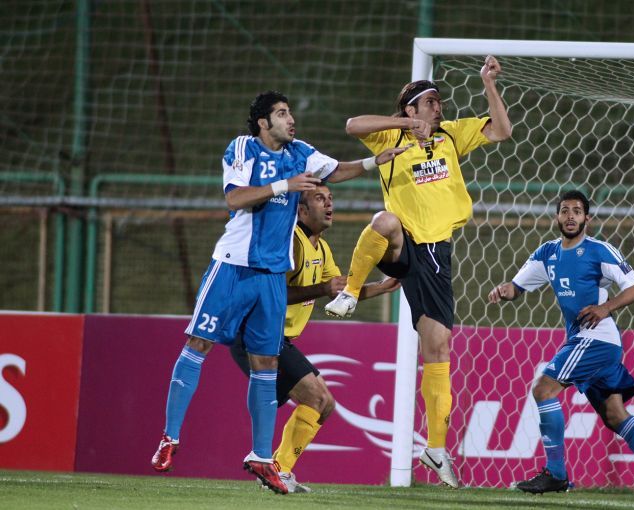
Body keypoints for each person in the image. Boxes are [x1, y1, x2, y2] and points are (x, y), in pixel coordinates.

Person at [150, 91, 406, 494]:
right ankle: (170, 437)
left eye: (289, 113)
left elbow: (336, 170)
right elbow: (234, 197)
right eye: (282, 114)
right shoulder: (243, 148)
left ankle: (261, 456)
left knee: (266, 363)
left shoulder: (300, 152)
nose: (291, 120)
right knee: (198, 342)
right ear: (263, 123)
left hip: (272, 275)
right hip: (233, 265)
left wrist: (375, 162)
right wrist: (284, 184)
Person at [324, 55, 513, 488]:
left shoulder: (450, 134)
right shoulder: (391, 134)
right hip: (405, 244)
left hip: (437, 253)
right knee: (384, 221)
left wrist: (488, 84)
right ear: (411, 109)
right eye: (430, 102)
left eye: (438, 101)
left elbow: (502, 130)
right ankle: (351, 292)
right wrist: (407, 126)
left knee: (438, 347)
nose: (438, 107)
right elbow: (352, 125)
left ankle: (436, 449)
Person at [487, 190, 634, 503]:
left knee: (543, 389)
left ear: (587, 218)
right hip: (588, 341)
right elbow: (517, 286)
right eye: (565, 210)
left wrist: (605, 307)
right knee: (615, 415)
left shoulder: (599, 251)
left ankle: (556, 473)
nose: (570, 216)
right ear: (557, 217)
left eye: (577, 211)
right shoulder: (547, 253)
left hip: (597, 338)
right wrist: (505, 290)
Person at [228, 183, 400, 493]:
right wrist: (322, 289)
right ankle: (276, 469)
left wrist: (383, 286)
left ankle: (278, 470)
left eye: (330, 198)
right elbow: (273, 292)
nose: (329, 204)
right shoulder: (291, 242)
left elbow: (341, 291)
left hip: (276, 339)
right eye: (320, 199)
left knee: (325, 404)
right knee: (318, 399)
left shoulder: (321, 248)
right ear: (302, 210)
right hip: (256, 333)